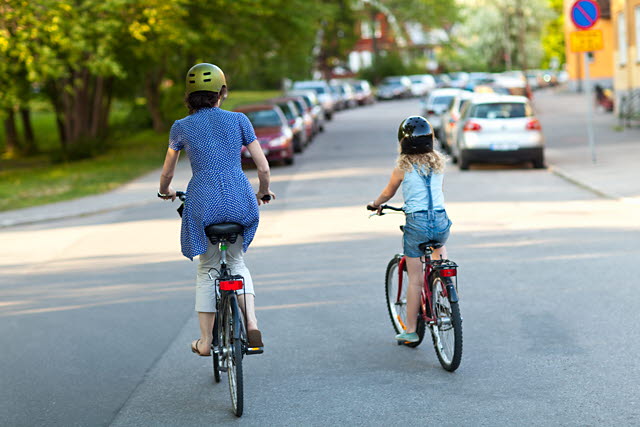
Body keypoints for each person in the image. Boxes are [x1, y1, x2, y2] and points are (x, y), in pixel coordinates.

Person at [158, 63, 275, 356]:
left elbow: (168, 174)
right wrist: (263, 192)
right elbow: (263, 167)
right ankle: (251, 321)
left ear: (189, 95)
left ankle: (205, 341)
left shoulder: (181, 127)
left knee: (207, 269)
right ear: (222, 92)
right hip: (239, 198)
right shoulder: (239, 120)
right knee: (236, 264)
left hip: (203, 202)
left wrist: (165, 192)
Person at [368, 116, 452, 343]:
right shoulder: (439, 164)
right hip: (441, 220)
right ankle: (446, 293)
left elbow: (388, 193)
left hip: (417, 223)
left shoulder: (402, 167)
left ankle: (412, 331)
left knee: (415, 280)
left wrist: (376, 204)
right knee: (440, 255)